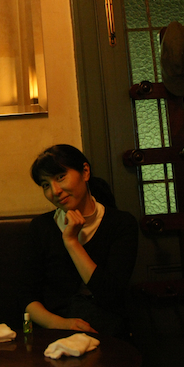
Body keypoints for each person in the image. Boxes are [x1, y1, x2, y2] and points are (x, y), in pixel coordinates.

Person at [22, 144, 138, 337]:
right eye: (46, 185)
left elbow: (110, 294)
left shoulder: (121, 224)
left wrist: (72, 242)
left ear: (85, 172)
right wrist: (60, 324)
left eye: (61, 177)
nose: (55, 191)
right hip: (55, 332)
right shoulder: (41, 227)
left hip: (108, 331)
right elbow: (27, 296)